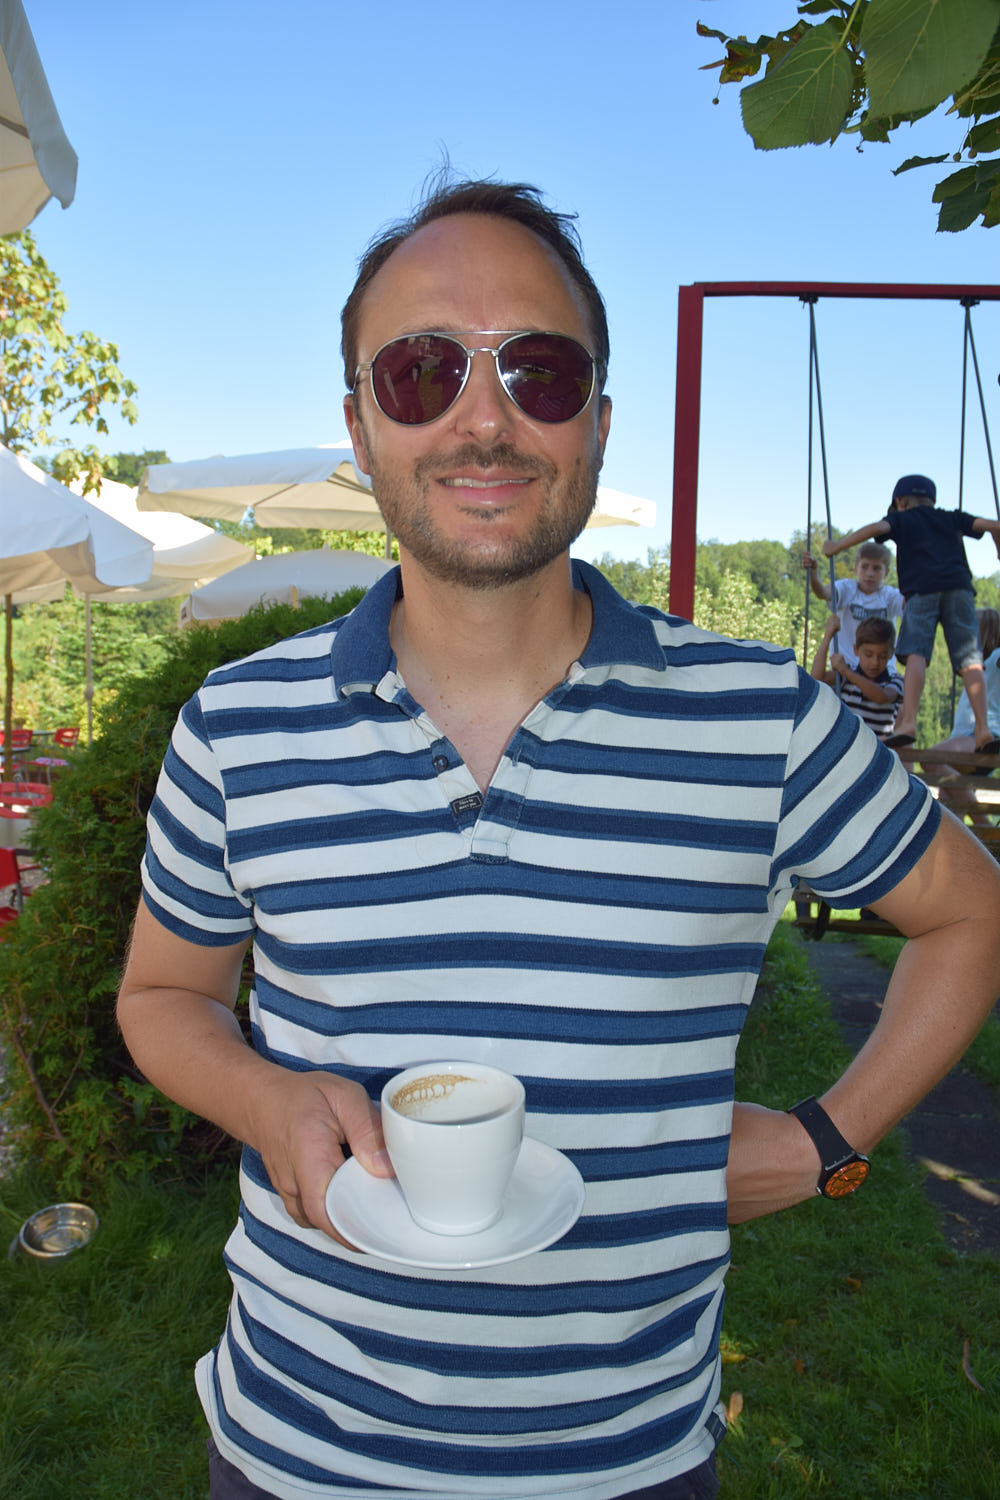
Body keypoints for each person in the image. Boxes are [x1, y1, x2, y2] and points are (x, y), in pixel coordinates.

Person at [116, 179, 1000, 1500]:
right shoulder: (237, 726)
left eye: (540, 370)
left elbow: (970, 910)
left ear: (596, 418)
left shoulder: (759, 717)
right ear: (360, 424)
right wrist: (266, 1096)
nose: (484, 418)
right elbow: (163, 994)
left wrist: (831, 1139)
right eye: (422, 371)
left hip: (630, 1460)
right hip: (296, 1449)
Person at [823, 475, 1000, 750]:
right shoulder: (951, 517)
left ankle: (908, 723)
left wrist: (837, 546)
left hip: (921, 590)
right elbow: (994, 525)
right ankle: (982, 728)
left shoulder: (902, 519)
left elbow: (875, 528)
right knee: (971, 660)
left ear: (900, 502)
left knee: (917, 653)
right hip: (960, 588)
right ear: (931, 500)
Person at [925, 607, 1000, 826]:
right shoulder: (975, 667)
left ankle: (984, 824)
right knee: (949, 809)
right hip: (966, 738)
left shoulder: (995, 658)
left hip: (982, 737)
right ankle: (976, 839)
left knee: (931, 759)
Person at [802, 539, 903, 667]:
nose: (870, 573)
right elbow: (823, 592)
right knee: (821, 676)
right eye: (864, 567)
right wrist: (813, 573)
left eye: (876, 568)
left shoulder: (889, 595)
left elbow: (909, 605)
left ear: (886, 573)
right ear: (856, 568)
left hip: (880, 669)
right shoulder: (846, 589)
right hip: (846, 667)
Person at [810, 614, 904, 739]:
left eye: (882, 656)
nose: (875, 662)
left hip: (878, 747)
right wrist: (827, 637)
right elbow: (817, 678)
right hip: (848, 744)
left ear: (891, 653)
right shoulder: (845, 677)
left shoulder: (896, 681)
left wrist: (846, 671)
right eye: (868, 655)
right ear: (856, 650)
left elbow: (882, 697)